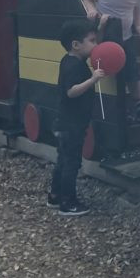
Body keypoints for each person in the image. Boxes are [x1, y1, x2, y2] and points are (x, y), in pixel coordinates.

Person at [82, 0, 140, 121]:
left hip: (126, 38)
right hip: (107, 36)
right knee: (113, 74)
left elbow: (137, 7)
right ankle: (120, 108)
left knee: (132, 71)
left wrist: (139, 25)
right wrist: (91, 11)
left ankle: (139, 102)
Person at [47, 19, 105, 216]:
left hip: (65, 121)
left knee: (63, 160)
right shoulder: (75, 66)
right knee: (72, 163)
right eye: (92, 40)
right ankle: (68, 203)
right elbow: (71, 92)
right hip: (71, 124)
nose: (95, 45)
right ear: (76, 44)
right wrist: (93, 79)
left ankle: (55, 196)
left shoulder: (69, 60)